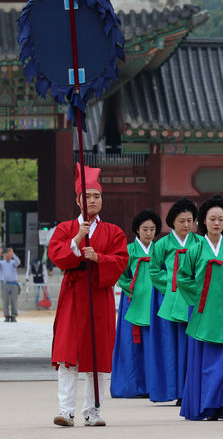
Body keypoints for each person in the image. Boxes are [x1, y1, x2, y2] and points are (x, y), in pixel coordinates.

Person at [48, 164, 129, 427]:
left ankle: (92, 411)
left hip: (99, 295)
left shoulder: (114, 231)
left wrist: (99, 258)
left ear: (102, 200)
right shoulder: (64, 228)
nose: (91, 200)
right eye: (87, 196)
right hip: (73, 295)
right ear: (77, 200)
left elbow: (120, 261)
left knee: (97, 356)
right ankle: (66, 410)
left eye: (96, 196)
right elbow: (56, 255)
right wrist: (76, 240)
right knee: (67, 353)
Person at [176, 195, 223, 420]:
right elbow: (183, 277)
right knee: (207, 362)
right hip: (205, 312)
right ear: (203, 222)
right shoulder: (195, 249)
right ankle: (208, 406)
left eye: (221, 219)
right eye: (213, 219)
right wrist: (199, 295)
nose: (217, 223)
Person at [148, 197, 201, 404]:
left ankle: (190, 390)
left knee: (191, 348)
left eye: (190, 220)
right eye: (182, 221)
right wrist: (170, 284)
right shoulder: (162, 244)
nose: (187, 225)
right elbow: (154, 270)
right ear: (173, 222)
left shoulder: (198, 242)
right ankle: (174, 390)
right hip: (171, 301)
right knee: (171, 349)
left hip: (193, 300)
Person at [111, 209, 162, 398]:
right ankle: (131, 385)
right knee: (130, 344)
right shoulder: (128, 250)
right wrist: (132, 288)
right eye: (145, 229)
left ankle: (152, 385)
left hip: (155, 303)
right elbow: (120, 274)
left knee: (153, 345)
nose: (148, 233)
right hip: (132, 302)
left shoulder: (159, 250)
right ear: (137, 230)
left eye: (152, 229)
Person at [1, 247, 21, 322]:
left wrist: (13, 254)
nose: (7, 255)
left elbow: (18, 262)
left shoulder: (13, 262)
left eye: (9, 254)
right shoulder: (2, 263)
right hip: (5, 284)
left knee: (14, 300)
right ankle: (6, 316)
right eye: (6, 254)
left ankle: (13, 315)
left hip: (13, 283)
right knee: (5, 300)